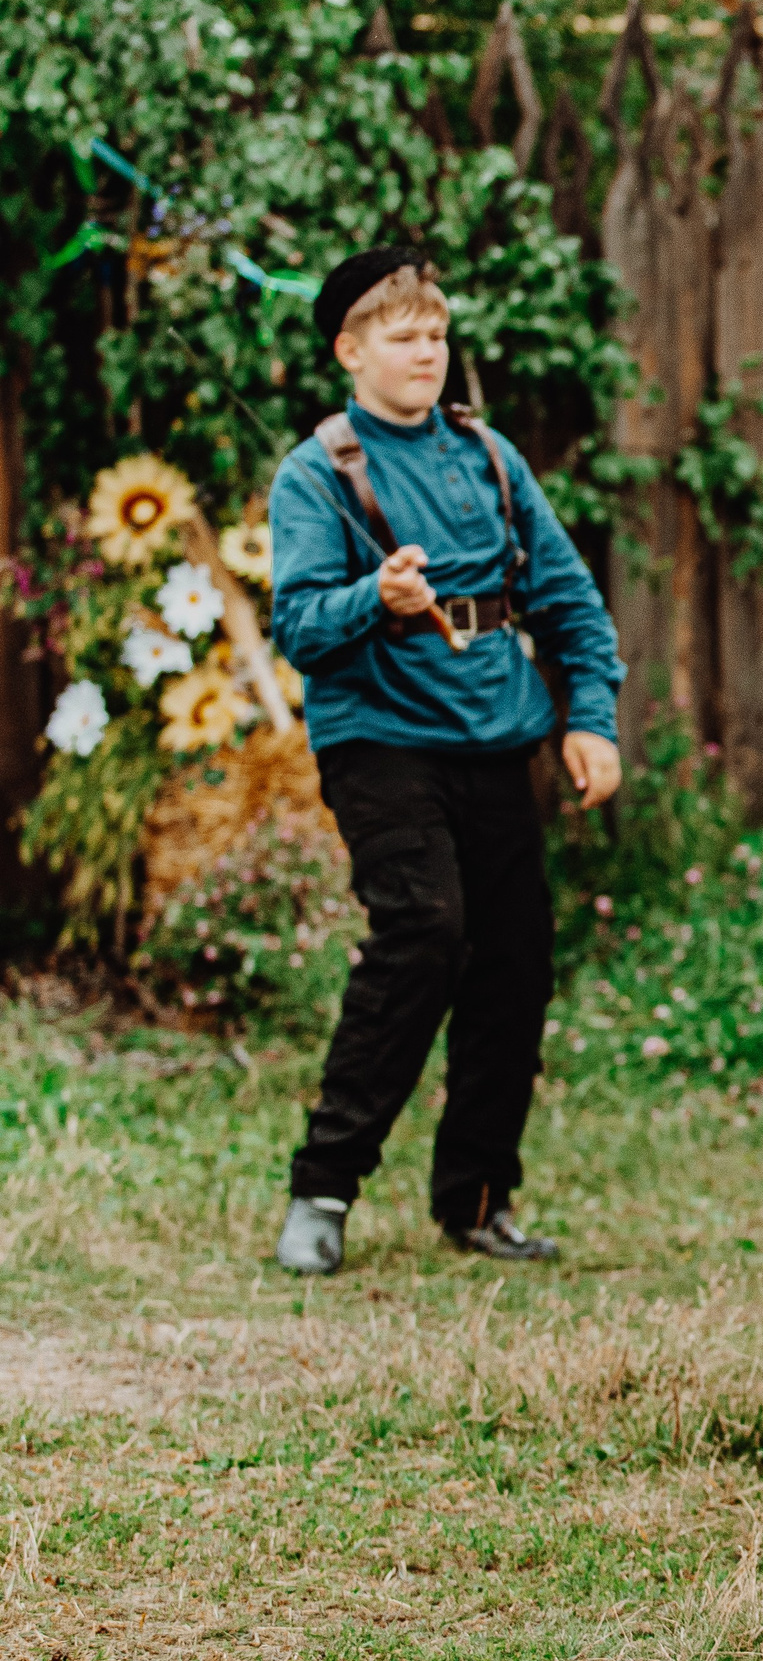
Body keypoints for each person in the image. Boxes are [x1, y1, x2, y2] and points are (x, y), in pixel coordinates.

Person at [266, 248, 627, 1276]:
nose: (426, 352)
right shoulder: (317, 472)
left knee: (514, 963)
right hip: (379, 741)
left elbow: (569, 603)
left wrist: (587, 720)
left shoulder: (490, 459)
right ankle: (323, 1190)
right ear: (350, 351)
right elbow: (297, 627)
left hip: (498, 736)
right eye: (402, 336)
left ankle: (475, 1199)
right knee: (425, 929)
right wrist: (368, 600)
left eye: (436, 334)